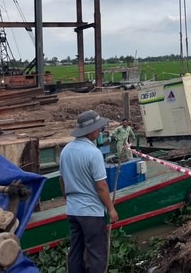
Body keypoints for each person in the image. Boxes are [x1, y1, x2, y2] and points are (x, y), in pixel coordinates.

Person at [59, 110, 119, 273]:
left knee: (76, 250)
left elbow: (62, 180)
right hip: (91, 212)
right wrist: (111, 209)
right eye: (98, 128)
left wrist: (68, 200)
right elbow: (101, 186)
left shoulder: (66, 151)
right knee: (96, 253)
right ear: (90, 131)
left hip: (73, 210)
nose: (100, 131)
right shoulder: (93, 153)